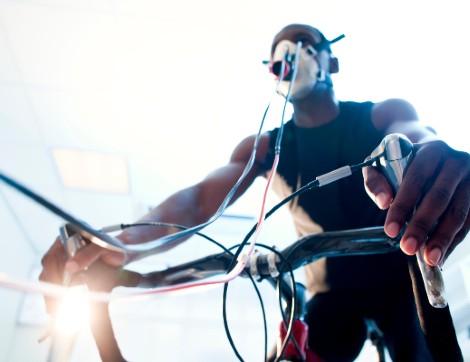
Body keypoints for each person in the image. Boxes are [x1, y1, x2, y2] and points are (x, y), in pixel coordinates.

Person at [39, 23, 470, 361]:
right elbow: (202, 200)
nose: (291, 54)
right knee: (295, 354)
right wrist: (123, 243)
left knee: (427, 350)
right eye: (279, 54)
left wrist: (436, 160)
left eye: (301, 43)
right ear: (273, 72)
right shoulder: (263, 147)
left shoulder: (381, 115)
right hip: (330, 294)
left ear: (330, 62)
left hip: (401, 282)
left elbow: (416, 136)